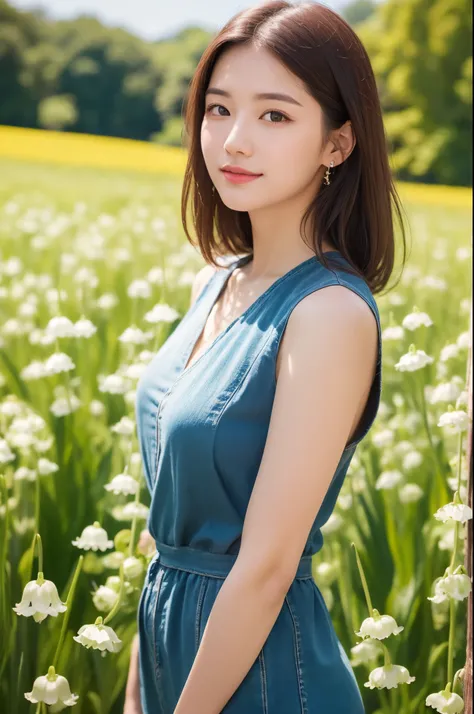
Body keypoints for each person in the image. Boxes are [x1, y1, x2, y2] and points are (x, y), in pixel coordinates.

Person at [125, 1, 407, 712]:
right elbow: (167, 535)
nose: (233, 141)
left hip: (263, 677)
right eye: (219, 110)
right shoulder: (213, 280)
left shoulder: (329, 315)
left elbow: (267, 567)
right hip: (169, 656)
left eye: (275, 116)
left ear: (337, 145)